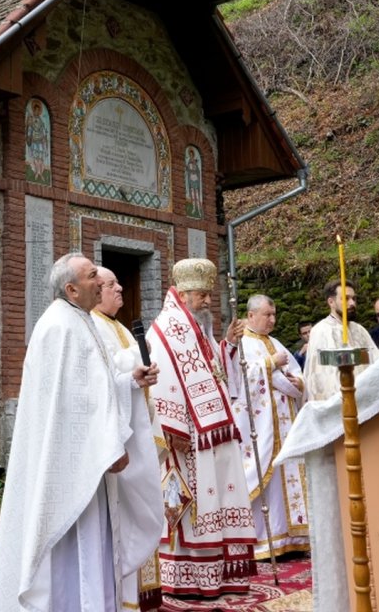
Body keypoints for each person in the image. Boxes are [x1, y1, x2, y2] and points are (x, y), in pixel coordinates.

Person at [0, 253, 161, 611]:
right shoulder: (60, 327)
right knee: (73, 557)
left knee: (93, 551)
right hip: (72, 471)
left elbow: (92, 388)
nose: (101, 281)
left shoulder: (78, 320)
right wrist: (110, 446)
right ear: (71, 288)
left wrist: (130, 381)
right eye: (93, 275)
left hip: (87, 467)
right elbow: (70, 405)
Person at [147, 257, 256, 598]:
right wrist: (173, 429)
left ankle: (221, 575)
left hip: (214, 434)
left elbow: (214, 372)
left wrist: (228, 345)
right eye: (202, 295)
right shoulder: (166, 328)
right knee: (190, 506)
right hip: (189, 438)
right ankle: (188, 578)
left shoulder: (196, 328)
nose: (209, 301)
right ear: (184, 292)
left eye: (210, 294)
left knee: (219, 500)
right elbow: (161, 379)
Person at [90, 267, 165, 611]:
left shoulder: (120, 327)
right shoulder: (91, 326)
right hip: (118, 440)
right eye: (110, 285)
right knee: (121, 516)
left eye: (119, 283)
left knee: (142, 507)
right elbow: (100, 380)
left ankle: (139, 595)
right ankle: (120, 597)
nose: (120, 289)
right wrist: (135, 362)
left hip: (138, 430)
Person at [222, 294, 309, 561]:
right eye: (266, 315)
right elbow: (237, 380)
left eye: (274, 315)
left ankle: (291, 537)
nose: (272, 320)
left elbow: (295, 374)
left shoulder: (274, 342)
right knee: (264, 480)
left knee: (287, 477)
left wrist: (299, 383)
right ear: (250, 316)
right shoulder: (242, 343)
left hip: (285, 426)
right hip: (259, 429)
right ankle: (263, 541)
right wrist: (270, 364)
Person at [303, 281, 379, 403]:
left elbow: (376, 363)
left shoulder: (360, 330)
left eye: (354, 299)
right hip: (340, 404)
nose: (352, 303)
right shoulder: (321, 331)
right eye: (346, 298)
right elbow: (321, 378)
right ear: (331, 302)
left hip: (366, 400)